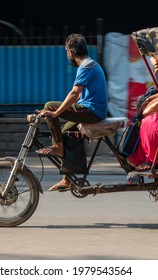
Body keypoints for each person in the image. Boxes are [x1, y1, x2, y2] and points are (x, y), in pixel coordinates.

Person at [36, 33, 108, 191]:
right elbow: (76, 98)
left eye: (67, 52)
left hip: (92, 111)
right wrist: (61, 110)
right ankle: (68, 179)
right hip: (92, 109)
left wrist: (56, 112)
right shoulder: (91, 64)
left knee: (49, 106)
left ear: (71, 52)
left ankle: (59, 147)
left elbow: (74, 93)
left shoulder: (86, 66)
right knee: (67, 131)